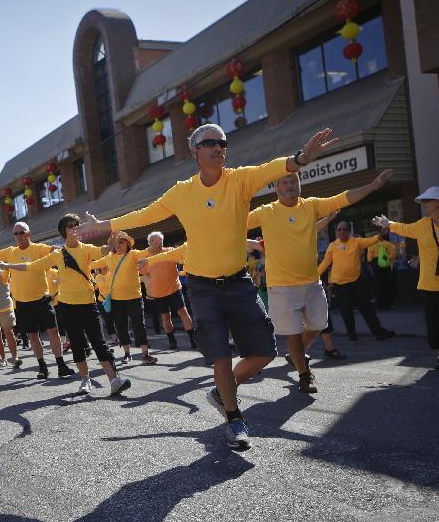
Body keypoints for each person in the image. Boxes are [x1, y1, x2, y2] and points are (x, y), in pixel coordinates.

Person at [74, 124, 338, 450]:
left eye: (222, 142)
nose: (218, 147)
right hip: (201, 287)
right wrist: (105, 226)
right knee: (221, 355)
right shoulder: (183, 191)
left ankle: (220, 390)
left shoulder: (239, 180)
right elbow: (147, 213)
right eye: (209, 142)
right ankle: (233, 417)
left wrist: (299, 159)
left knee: (264, 352)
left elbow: (272, 168)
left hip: (238, 282)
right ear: (194, 151)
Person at [246, 169, 391, 392]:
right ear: (276, 188)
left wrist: (371, 187)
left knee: (318, 324)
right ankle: (304, 375)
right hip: (282, 286)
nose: (290, 185)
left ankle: (296, 354)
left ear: (299, 185)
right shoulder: (266, 212)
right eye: (284, 182)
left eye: (293, 181)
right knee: (293, 333)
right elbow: (233, 221)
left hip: (311, 282)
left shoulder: (310, 205)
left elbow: (343, 197)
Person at [0, 214, 131, 397]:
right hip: (67, 306)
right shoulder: (57, 255)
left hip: (88, 304)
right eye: (70, 226)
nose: (74, 229)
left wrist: (111, 242)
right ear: (63, 231)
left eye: (76, 226)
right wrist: (6, 264)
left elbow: (104, 250)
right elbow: (31, 266)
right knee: (78, 345)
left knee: (99, 343)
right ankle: (85, 380)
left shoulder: (87, 249)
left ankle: (114, 381)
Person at [0, 221, 75, 378]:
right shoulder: (10, 251)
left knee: (53, 331)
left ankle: (61, 365)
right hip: (23, 302)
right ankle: (42, 367)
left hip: (42, 298)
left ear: (28, 234)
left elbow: (57, 250)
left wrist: (67, 245)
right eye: (16, 233)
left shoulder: (39, 248)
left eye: (22, 232)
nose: (18, 236)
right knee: (33, 335)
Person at [373, 186, 439, 370]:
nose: (424, 204)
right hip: (430, 284)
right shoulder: (423, 224)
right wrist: (388, 223)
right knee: (435, 324)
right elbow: (404, 229)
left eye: (428, 201)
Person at [318, 222, 395, 342]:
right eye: (339, 230)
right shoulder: (333, 246)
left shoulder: (356, 242)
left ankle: (379, 332)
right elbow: (325, 263)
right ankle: (351, 334)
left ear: (349, 231)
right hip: (340, 283)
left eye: (345, 229)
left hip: (357, 281)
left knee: (367, 307)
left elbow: (370, 241)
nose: (342, 232)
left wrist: (381, 235)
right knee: (346, 310)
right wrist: (313, 276)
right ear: (336, 232)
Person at [90, 231, 157, 364]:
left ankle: (145, 354)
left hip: (134, 298)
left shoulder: (133, 254)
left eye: (121, 242)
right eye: (116, 242)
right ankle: (127, 354)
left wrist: (155, 244)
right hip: (117, 299)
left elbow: (147, 252)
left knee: (139, 325)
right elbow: (91, 265)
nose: (119, 245)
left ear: (127, 244)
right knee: (121, 326)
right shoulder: (108, 257)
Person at [143, 232, 196, 350]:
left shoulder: (170, 251)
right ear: (150, 243)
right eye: (156, 241)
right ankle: (172, 340)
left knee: (183, 313)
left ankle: (193, 339)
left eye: (160, 241)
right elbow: (142, 272)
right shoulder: (146, 258)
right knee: (166, 317)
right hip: (158, 293)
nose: (159, 243)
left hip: (174, 289)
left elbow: (183, 258)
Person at [367, 227, 397, 310]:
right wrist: (386, 258)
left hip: (376, 265)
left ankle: (381, 304)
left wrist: (371, 268)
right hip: (386, 265)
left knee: (378, 286)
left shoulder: (371, 245)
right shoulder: (387, 244)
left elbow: (369, 258)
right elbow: (393, 255)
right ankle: (390, 303)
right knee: (388, 284)